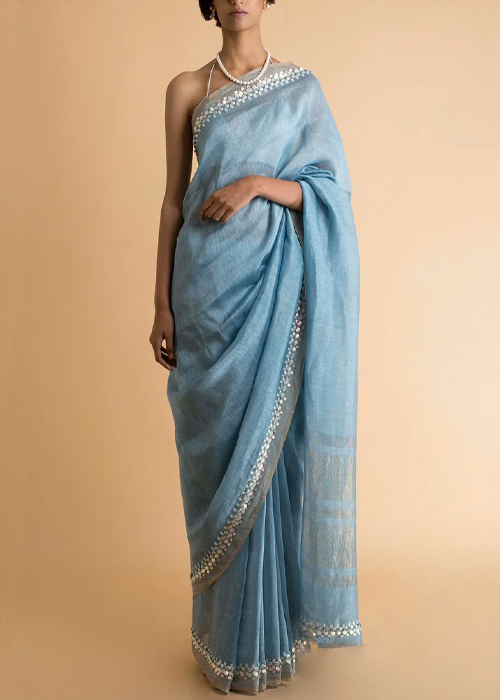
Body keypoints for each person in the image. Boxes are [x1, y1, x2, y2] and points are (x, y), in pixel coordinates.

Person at [149, 0, 362, 693]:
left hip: (271, 297)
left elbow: (331, 191)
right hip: (203, 299)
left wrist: (256, 185)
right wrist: (162, 304)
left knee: (270, 464)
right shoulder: (188, 89)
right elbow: (173, 202)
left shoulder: (301, 89)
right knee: (214, 467)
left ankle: (266, 640)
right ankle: (224, 640)